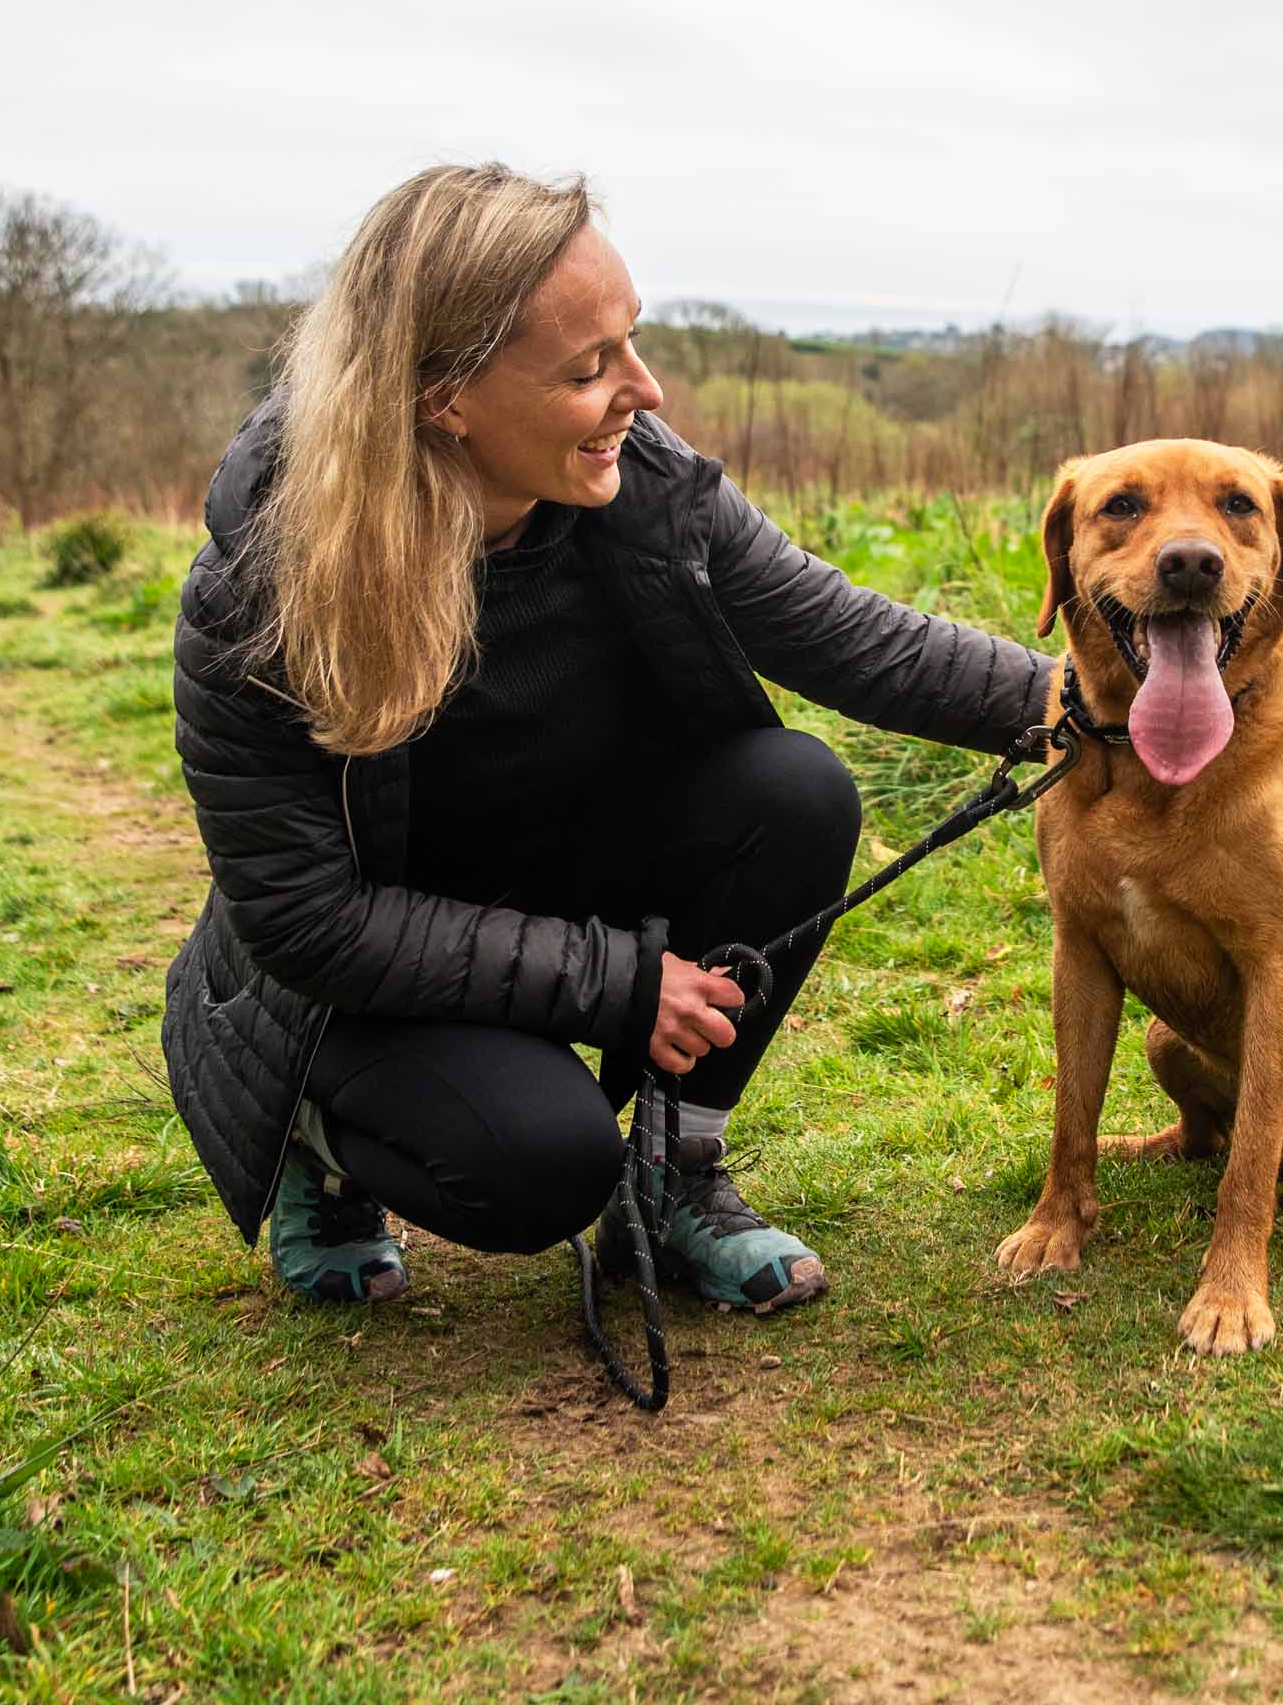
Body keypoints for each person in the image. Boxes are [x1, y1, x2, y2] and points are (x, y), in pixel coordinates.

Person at [162, 162, 1050, 1321]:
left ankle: (677, 1179)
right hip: (364, 967)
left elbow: (855, 641)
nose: (646, 387)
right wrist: (621, 987)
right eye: (589, 369)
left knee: (796, 791)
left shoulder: (643, 488)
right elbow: (304, 920)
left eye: (631, 340)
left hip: (550, 873)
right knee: (537, 1168)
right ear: (447, 399)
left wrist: (1095, 703)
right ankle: (314, 1137)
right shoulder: (266, 585)